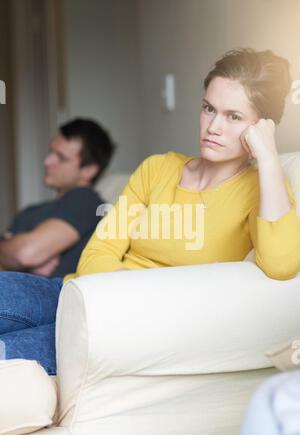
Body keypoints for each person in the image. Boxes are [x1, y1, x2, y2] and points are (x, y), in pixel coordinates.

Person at [0, 48, 299, 375]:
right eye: (208, 109)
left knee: (8, 353)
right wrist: (140, 285)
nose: (213, 127)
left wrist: (269, 156)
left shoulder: (263, 190)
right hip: (74, 293)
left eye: (234, 117)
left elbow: (281, 265)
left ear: (261, 127)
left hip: (122, 329)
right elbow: (96, 254)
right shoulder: (157, 168)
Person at [0, 118, 115, 278]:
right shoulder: (30, 211)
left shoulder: (87, 201)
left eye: (61, 158)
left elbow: (25, 253)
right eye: (51, 152)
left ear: (88, 170)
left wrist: (14, 251)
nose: (47, 161)